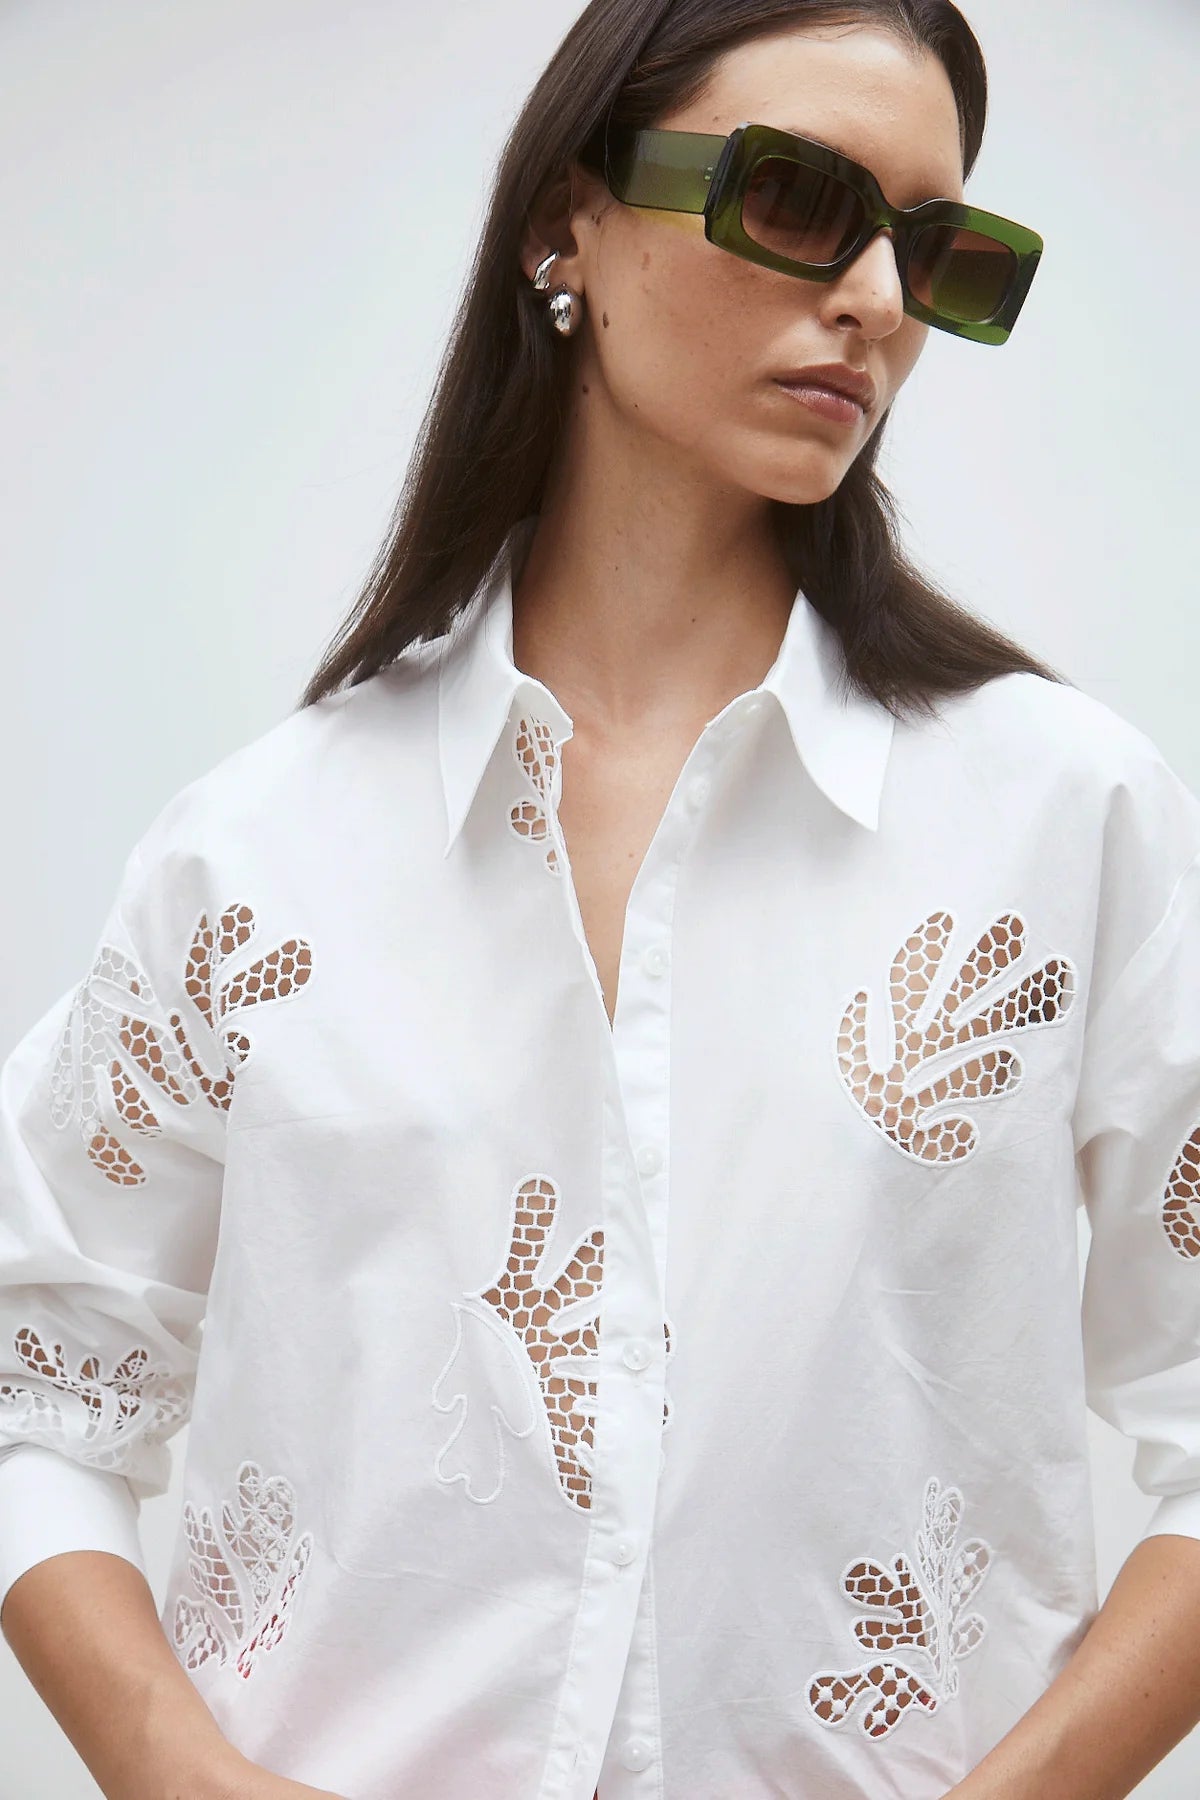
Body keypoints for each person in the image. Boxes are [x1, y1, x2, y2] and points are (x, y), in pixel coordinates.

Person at [3, 1, 1200, 1796]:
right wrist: (192, 1780)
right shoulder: (256, 864)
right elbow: (39, 1381)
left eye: (936, 247)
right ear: (568, 224)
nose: (876, 293)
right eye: (799, 202)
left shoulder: (1065, 820)